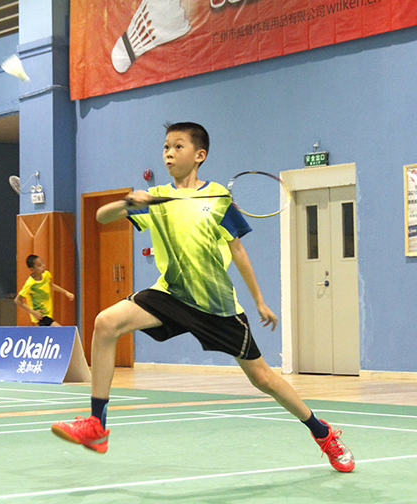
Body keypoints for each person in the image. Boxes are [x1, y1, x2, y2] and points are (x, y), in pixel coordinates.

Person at [51, 122, 355, 472]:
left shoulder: (218, 198)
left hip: (216, 305)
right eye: (166, 147)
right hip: (172, 294)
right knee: (106, 323)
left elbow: (237, 250)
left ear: (200, 155)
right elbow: (101, 217)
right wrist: (128, 202)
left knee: (263, 379)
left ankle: (322, 432)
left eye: (178, 146)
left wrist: (259, 300)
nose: (169, 153)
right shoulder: (157, 198)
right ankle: (97, 426)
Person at [15, 254, 74, 326]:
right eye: (39, 265)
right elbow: (18, 300)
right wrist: (33, 312)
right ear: (32, 270)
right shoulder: (30, 283)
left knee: (52, 331)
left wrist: (66, 292)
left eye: (43, 263)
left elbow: (51, 285)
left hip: (48, 314)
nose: (43, 266)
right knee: (59, 329)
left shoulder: (46, 274)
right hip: (41, 316)